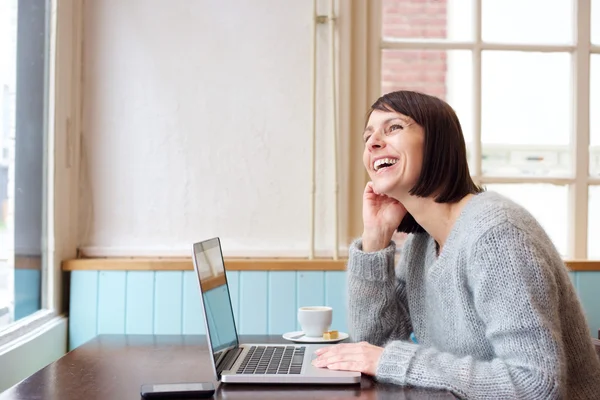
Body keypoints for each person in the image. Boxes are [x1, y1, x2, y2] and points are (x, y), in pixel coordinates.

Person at [311, 90, 600, 399]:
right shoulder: (422, 245)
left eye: (393, 127)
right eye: (368, 136)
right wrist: (375, 238)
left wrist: (392, 360)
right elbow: (375, 347)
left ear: (438, 144)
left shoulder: (497, 234)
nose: (373, 142)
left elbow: (535, 386)